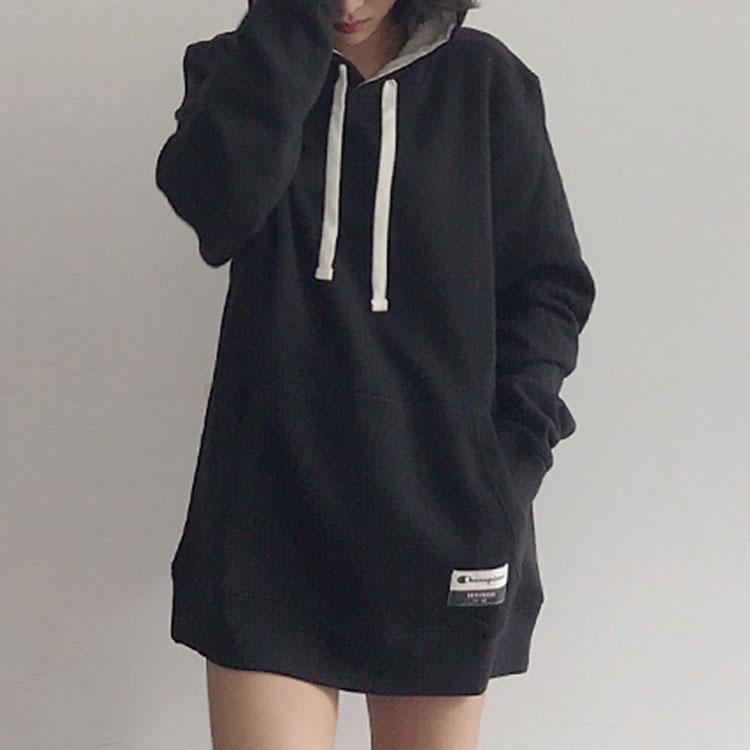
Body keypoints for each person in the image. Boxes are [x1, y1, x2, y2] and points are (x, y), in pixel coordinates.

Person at [154, 0, 596, 746]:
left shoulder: (485, 82)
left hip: (443, 512)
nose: (348, 3)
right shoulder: (237, 70)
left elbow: (547, 286)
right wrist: (286, 30)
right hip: (268, 517)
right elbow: (216, 209)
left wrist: (509, 459)